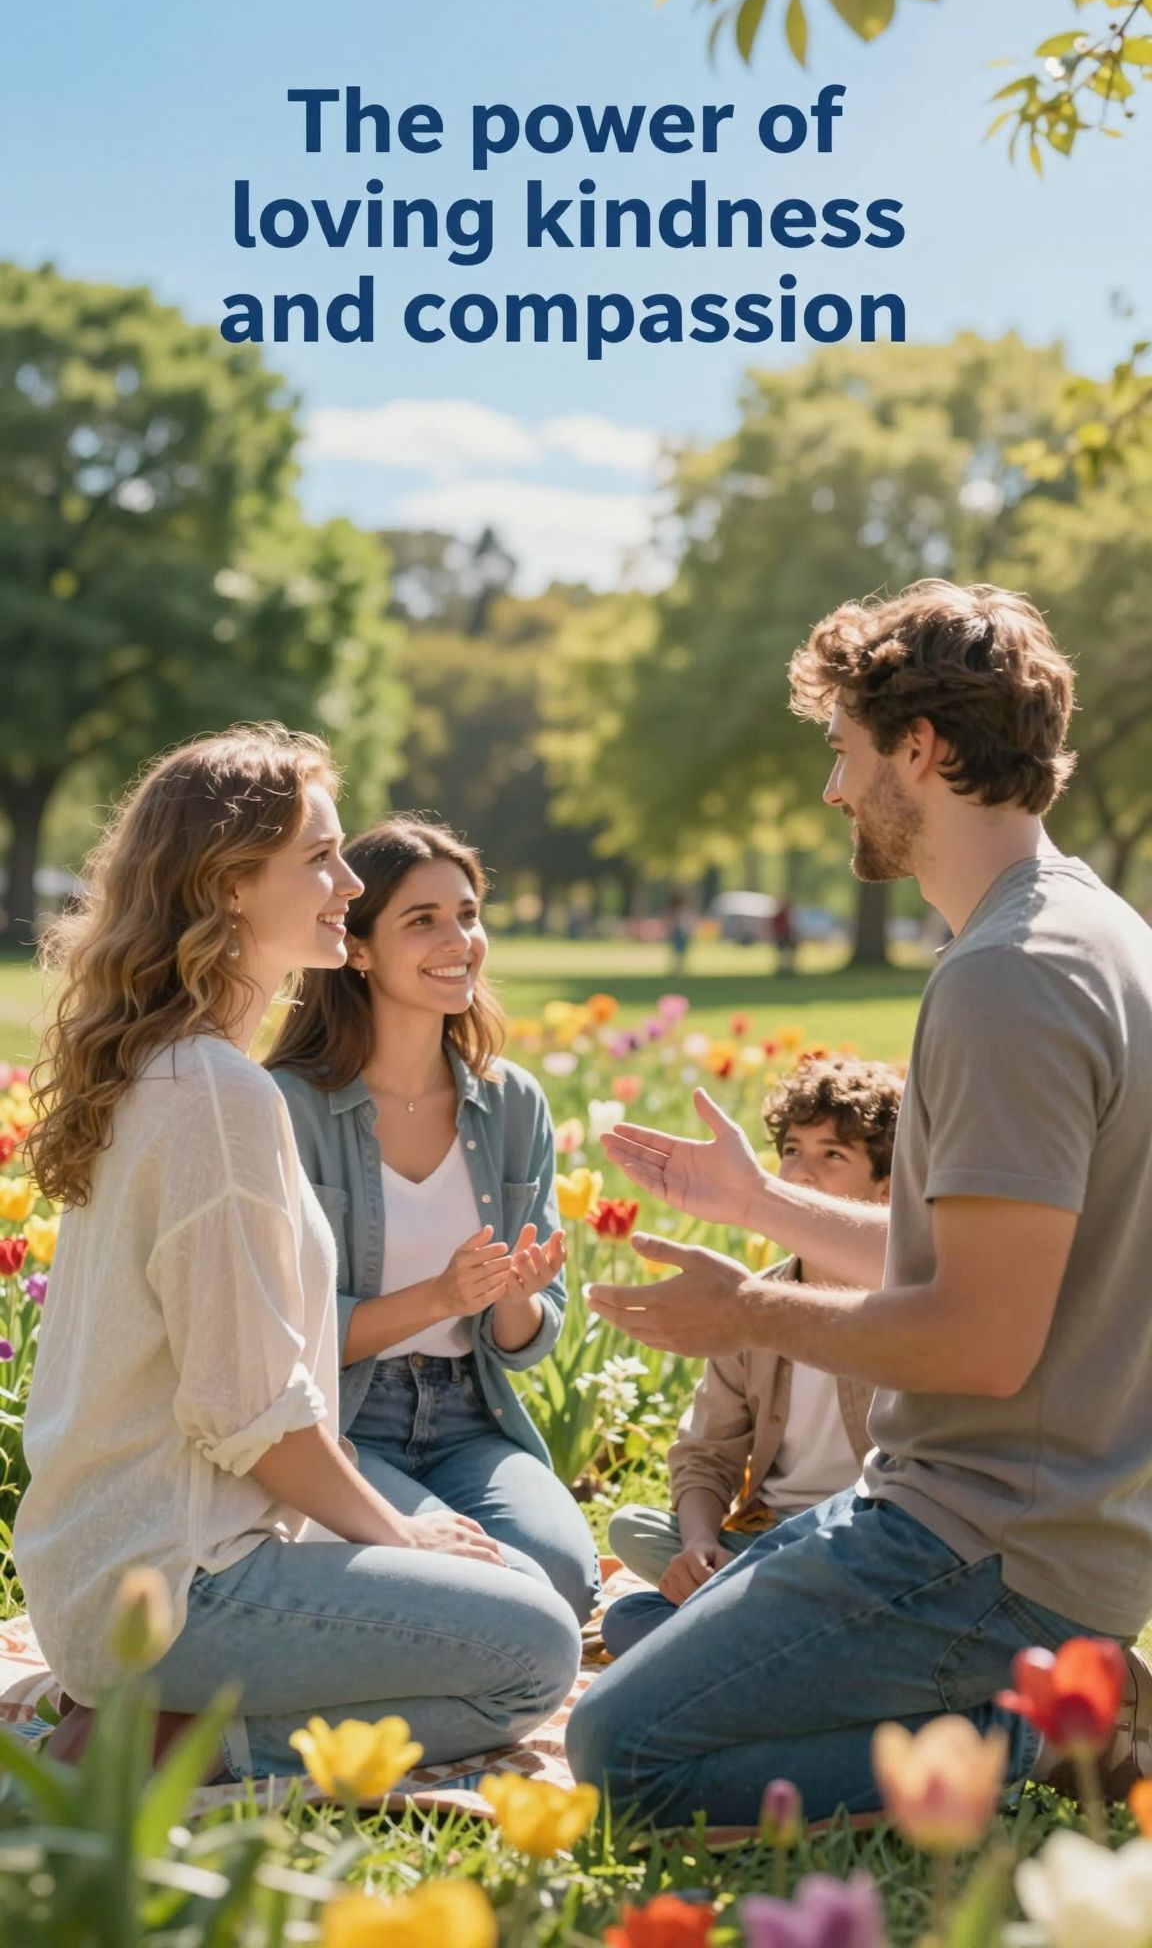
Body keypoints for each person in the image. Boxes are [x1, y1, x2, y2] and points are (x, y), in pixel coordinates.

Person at [567, 579, 1152, 1828]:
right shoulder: (1092, 932)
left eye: (844, 750)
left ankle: (1051, 1722)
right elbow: (988, 1258)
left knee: (621, 1747)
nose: (835, 788)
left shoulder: (1008, 977)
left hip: (983, 1550)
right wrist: (764, 1202)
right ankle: (1049, 1684)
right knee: (654, 1614)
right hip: (1015, 1523)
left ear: (920, 748)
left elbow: (979, 1340)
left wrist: (747, 1312)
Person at [14, 728, 580, 1781]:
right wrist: (397, 1535)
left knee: (521, 1578)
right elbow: (255, 1418)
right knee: (535, 1650)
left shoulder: (176, 1070)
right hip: (176, 1585)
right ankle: (166, 1744)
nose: (349, 883)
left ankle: (168, 1715)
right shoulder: (215, 1096)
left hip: (118, 1562)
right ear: (230, 885)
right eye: (320, 857)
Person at [264, 815, 599, 1625]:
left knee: (559, 1578)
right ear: (358, 948)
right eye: (423, 920)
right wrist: (440, 1298)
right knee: (497, 1592)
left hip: (469, 1416)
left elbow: (525, 1342)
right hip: (343, 1422)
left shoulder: (513, 1102)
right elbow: (281, 1342)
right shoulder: (288, 1106)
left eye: (467, 914)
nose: (459, 941)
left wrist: (513, 1295)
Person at [602, 1055, 901, 1657]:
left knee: (643, 1625)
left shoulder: (904, 1305)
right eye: (791, 1150)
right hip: (768, 1540)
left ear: (886, 1190)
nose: (801, 1173)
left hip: (863, 1538)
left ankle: (741, 1635)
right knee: (631, 1539)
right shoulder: (744, 1301)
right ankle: (784, 1635)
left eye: (832, 1155)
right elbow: (707, 1452)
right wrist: (697, 1544)